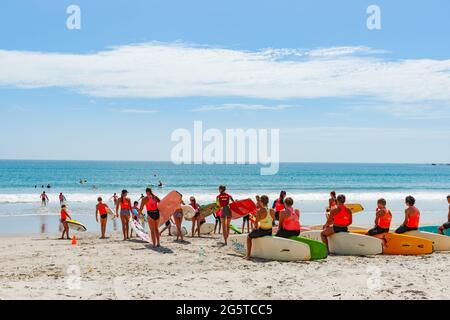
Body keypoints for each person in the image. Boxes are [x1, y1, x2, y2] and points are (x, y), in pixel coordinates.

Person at [245, 195, 274, 259]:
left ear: (261, 202)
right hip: (270, 231)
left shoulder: (259, 211)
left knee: (249, 236)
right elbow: (272, 220)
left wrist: (255, 229)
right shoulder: (272, 210)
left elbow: (255, 225)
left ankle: (248, 255)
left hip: (263, 231)